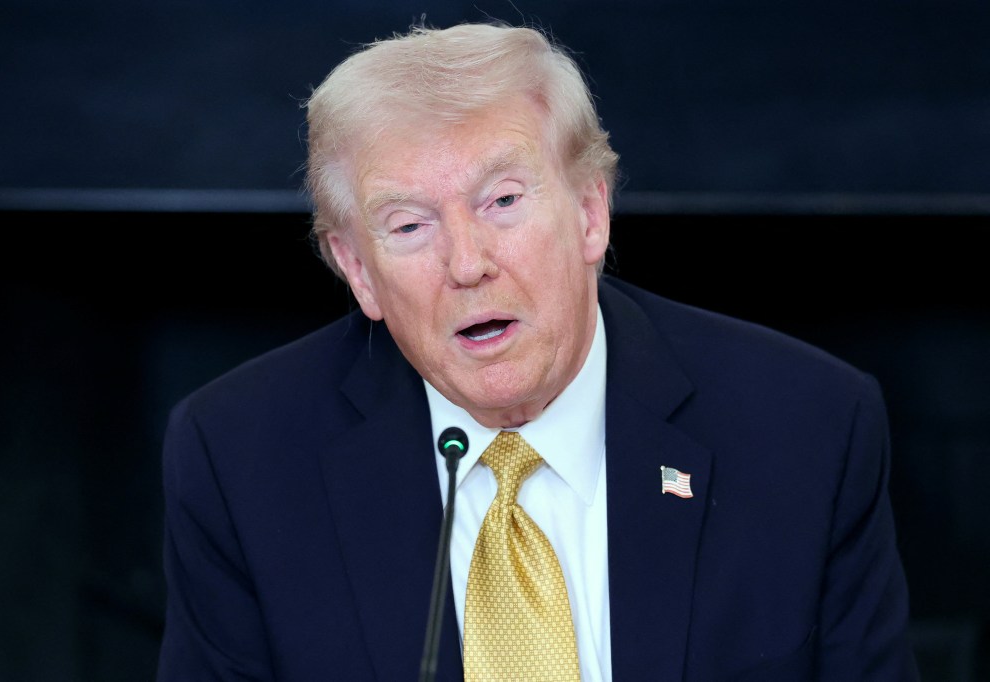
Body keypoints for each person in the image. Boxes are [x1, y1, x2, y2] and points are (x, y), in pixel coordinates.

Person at [157, 22, 918, 681]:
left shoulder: (807, 427)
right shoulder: (240, 459)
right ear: (359, 271)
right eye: (410, 225)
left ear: (591, 213)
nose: (467, 263)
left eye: (504, 202)